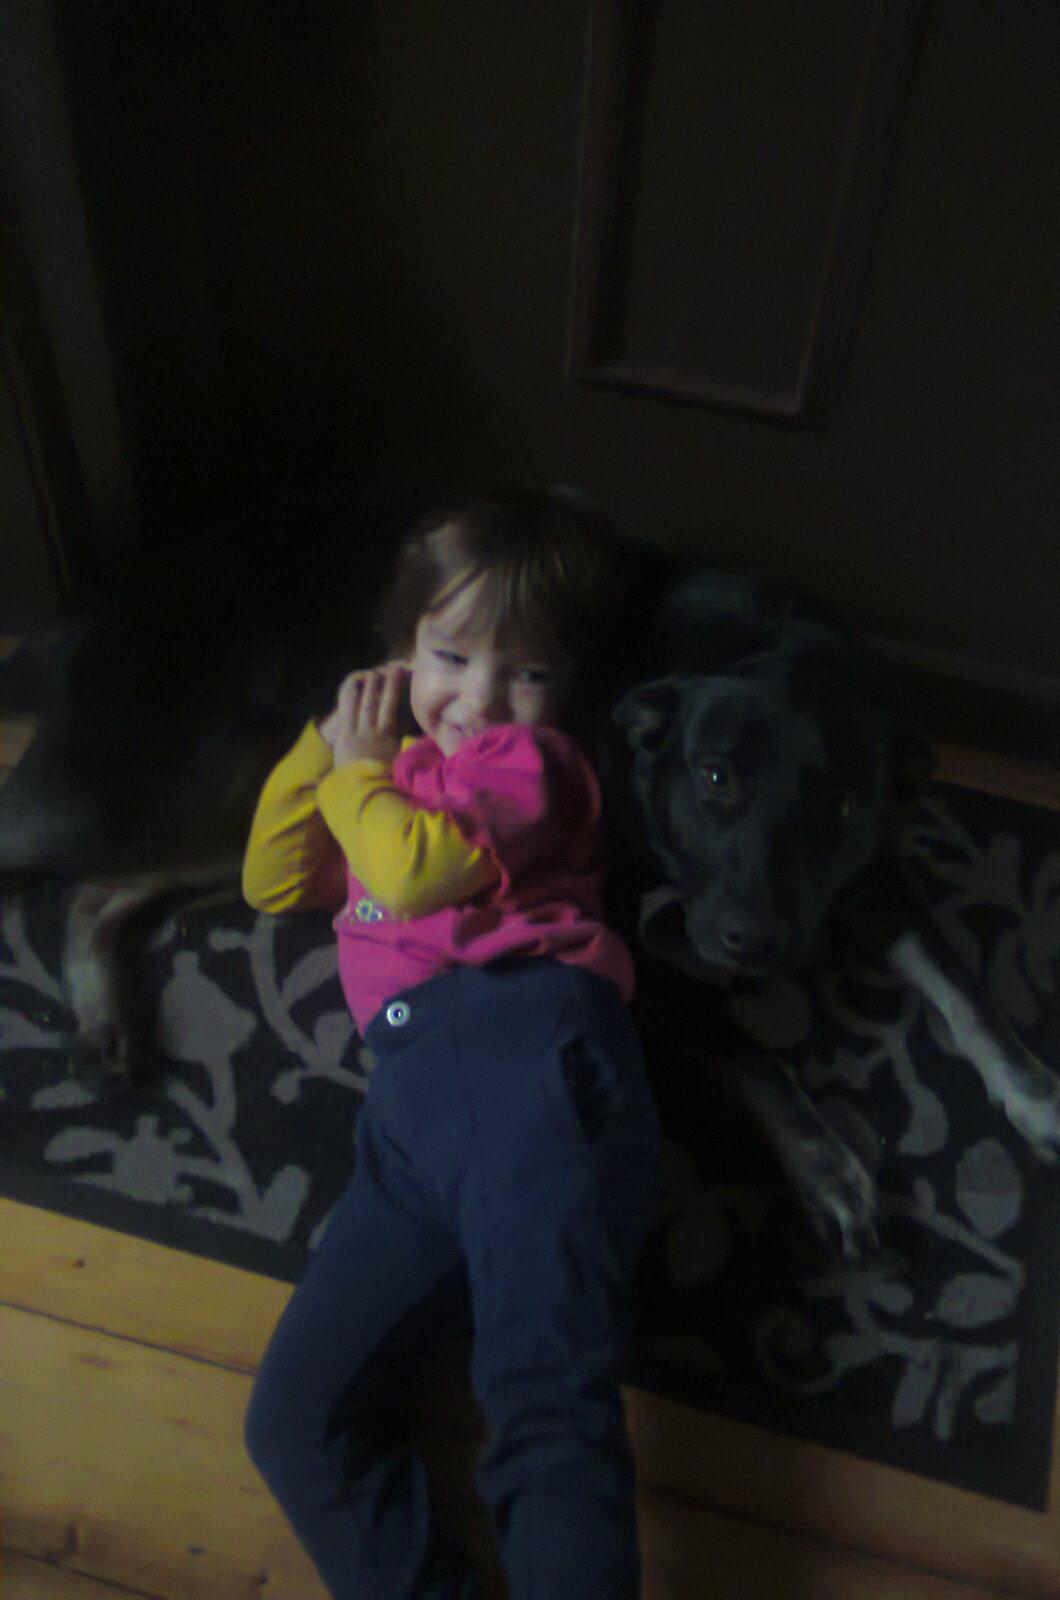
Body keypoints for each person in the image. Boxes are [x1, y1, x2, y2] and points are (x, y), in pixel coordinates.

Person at [241, 491, 660, 1600]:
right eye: (450, 657)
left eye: (527, 672)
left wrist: (358, 776)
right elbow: (275, 879)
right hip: (416, 1109)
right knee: (297, 1421)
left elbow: (415, 873)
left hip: (516, 1038)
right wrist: (330, 742)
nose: (478, 699)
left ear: (565, 691)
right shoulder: (385, 782)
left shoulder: (531, 766)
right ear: (399, 653)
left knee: (544, 1401)